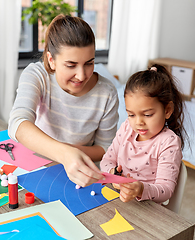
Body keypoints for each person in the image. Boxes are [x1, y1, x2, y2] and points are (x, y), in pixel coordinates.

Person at [8, 14, 119, 187]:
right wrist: (65, 153)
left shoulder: (107, 93)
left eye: (89, 63)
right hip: (38, 168)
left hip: (82, 178)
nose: (82, 75)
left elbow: (106, 148)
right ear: (51, 60)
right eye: (71, 65)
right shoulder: (37, 75)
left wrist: (71, 154)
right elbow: (17, 123)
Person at [100, 64, 188, 203]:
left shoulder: (169, 142)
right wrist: (112, 174)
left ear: (167, 110)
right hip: (118, 199)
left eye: (147, 115)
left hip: (148, 209)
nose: (138, 122)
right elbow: (106, 161)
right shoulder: (126, 128)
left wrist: (140, 189)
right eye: (131, 115)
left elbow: (166, 190)